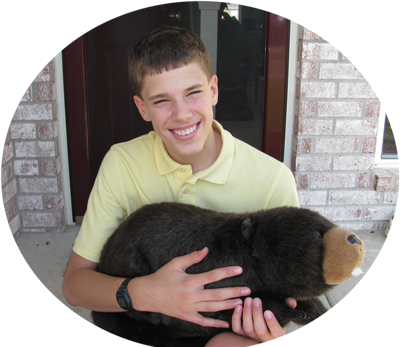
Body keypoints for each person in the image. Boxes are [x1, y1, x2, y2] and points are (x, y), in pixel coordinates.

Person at [62, 25, 299, 347]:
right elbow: (75, 285)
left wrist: (270, 335)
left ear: (214, 90)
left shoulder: (273, 180)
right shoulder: (122, 163)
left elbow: (289, 289)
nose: (182, 114)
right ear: (142, 108)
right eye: (161, 100)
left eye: (193, 93)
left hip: (224, 329)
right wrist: (144, 292)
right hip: (146, 322)